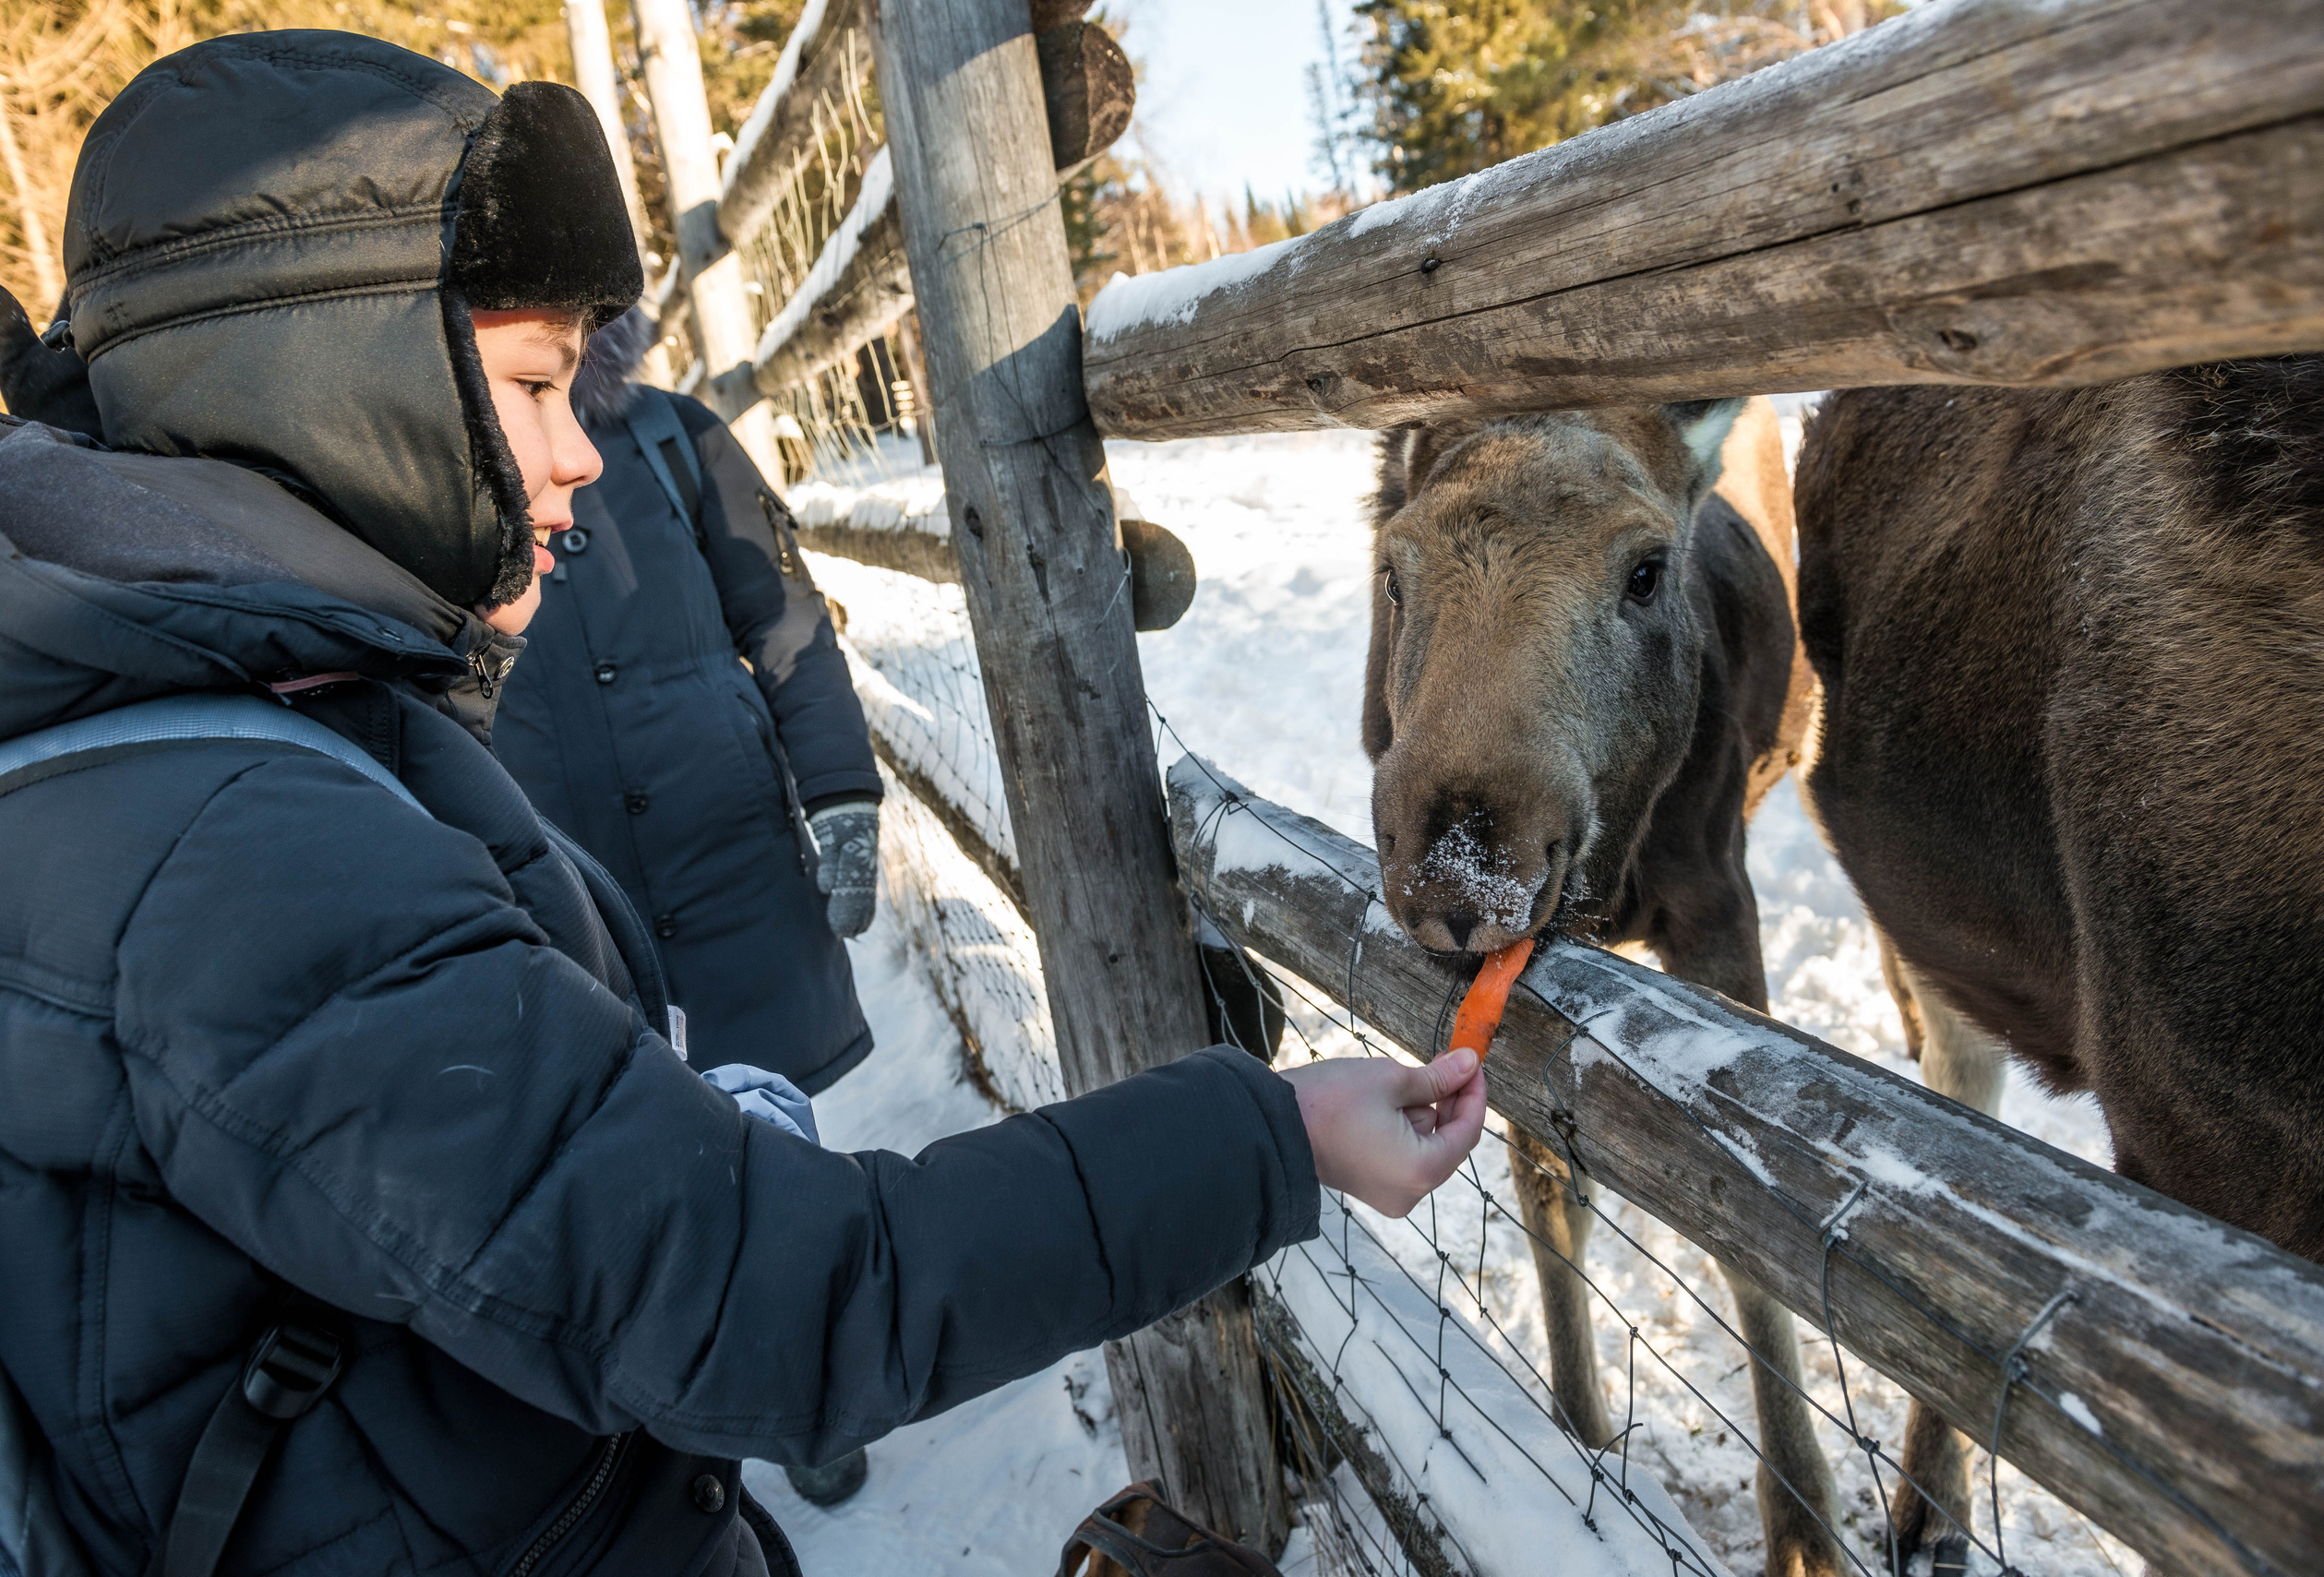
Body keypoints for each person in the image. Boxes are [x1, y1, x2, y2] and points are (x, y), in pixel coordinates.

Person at [0, 30, 1487, 1577]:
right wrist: (1278, 1129)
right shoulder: (241, 856)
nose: (576, 451)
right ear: (334, 389)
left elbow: (455, 1186)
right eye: (528, 384)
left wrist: (674, 1088)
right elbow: (771, 1296)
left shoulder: (205, 729)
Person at [491, 309, 880, 1099]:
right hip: (558, 893)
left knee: (784, 1160)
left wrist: (840, 788)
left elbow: (782, 614)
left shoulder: (676, 435)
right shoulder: (440, 466)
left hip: (738, 873)